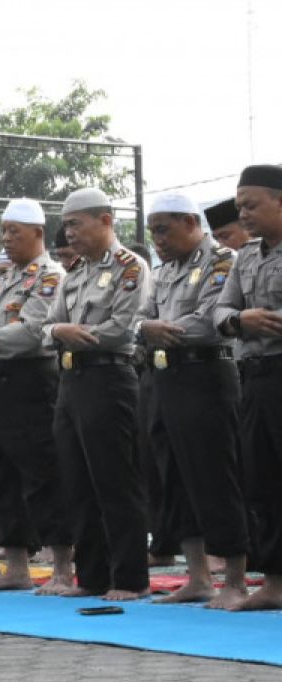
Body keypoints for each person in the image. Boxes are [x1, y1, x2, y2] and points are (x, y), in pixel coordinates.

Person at [135, 192, 248, 608]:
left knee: (215, 477)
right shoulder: (164, 270)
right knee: (173, 478)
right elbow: (139, 316)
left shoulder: (221, 261)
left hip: (206, 375)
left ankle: (234, 579)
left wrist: (157, 328)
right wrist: (147, 329)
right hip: (165, 376)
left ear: (188, 222)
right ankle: (197, 577)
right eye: (152, 232)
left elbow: (208, 320)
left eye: (163, 229)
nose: (157, 239)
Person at [44, 187, 153, 601]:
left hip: (110, 378)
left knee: (115, 480)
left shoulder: (130, 267)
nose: (68, 233)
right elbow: (48, 326)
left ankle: (129, 578)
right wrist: (59, 331)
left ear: (105, 220)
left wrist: (73, 334)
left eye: (76, 223)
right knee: (77, 481)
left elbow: (126, 328)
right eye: (66, 224)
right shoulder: (75, 274)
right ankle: (90, 576)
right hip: (72, 381)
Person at [0, 198, 70, 591]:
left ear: (38, 233)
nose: (5, 239)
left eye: (14, 232)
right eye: (3, 231)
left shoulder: (51, 276)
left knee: (42, 473)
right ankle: (17, 567)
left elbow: (31, 331)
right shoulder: (0, 280)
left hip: (29, 381)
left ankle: (61, 567)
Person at [214, 164, 282, 610]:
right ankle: (275, 583)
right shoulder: (248, 256)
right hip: (256, 380)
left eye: (251, 205)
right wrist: (242, 320)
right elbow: (220, 312)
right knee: (262, 481)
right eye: (240, 207)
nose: (244, 215)